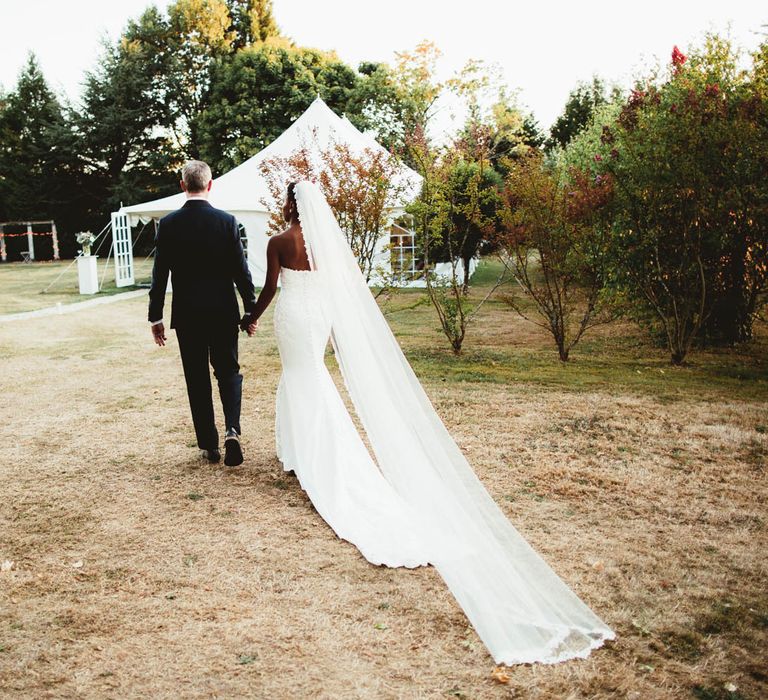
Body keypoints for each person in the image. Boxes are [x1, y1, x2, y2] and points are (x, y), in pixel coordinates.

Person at [246, 180, 615, 665]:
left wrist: (250, 316)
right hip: (317, 316)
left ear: (289, 204)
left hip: (294, 313)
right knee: (309, 375)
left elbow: (271, 287)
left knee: (302, 377)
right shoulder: (323, 245)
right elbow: (337, 290)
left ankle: (312, 454)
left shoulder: (278, 243)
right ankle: (298, 449)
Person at [148, 160, 257, 467]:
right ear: (210, 185)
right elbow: (241, 271)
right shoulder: (226, 222)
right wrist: (249, 309)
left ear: (183, 185)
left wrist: (155, 317)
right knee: (228, 372)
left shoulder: (168, 224)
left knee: (197, 378)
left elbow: (160, 276)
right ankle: (232, 430)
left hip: (188, 315)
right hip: (223, 312)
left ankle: (209, 445)